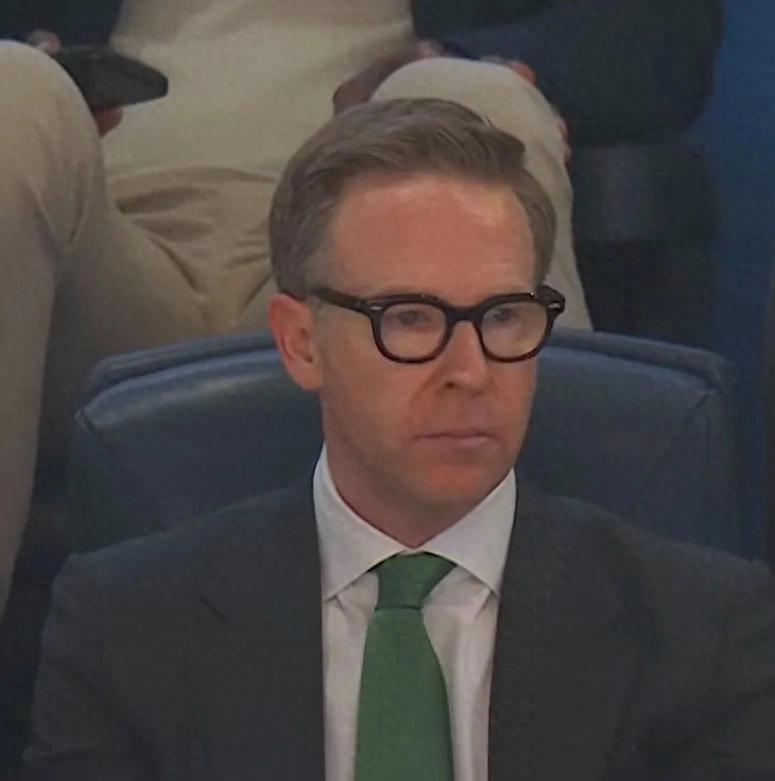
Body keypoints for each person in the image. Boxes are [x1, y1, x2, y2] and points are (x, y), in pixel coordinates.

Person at [20, 99, 775, 781]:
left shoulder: (705, 633)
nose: (471, 371)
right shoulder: (124, 629)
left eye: (503, 316)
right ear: (301, 344)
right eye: (410, 319)